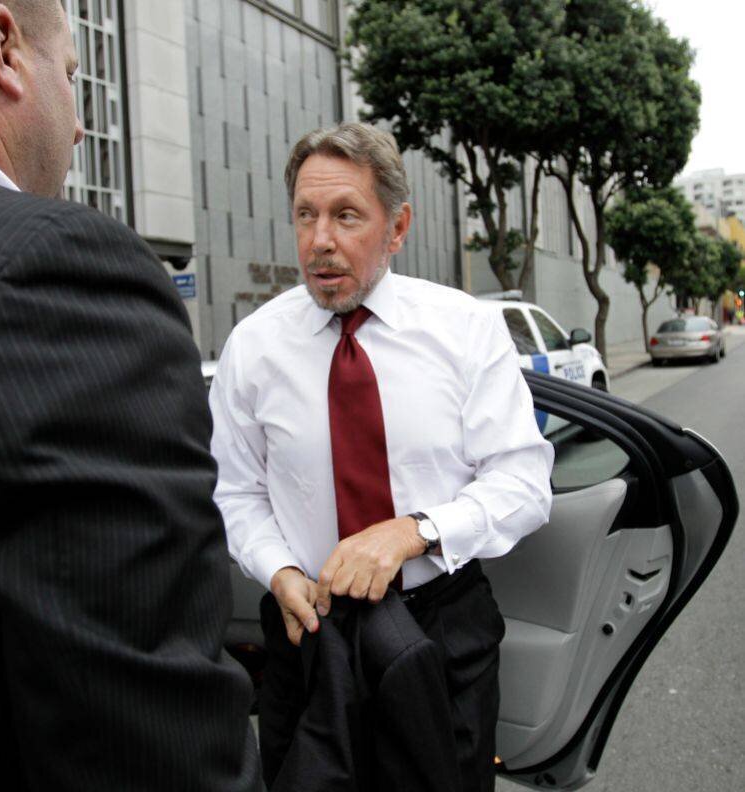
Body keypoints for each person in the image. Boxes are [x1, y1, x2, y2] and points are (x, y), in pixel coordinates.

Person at [210, 122, 554, 791]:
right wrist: (278, 570)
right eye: (305, 215)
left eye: (346, 216)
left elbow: (523, 480)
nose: (320, 240)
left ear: (397, 228)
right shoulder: (253, 348)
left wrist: (414, 532)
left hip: (440, 633)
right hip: (307, 633)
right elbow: (235, 491)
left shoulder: (465, 330)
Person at [0, 2, 261, 790]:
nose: (78, 128)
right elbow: (148, 737)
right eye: (72, 75)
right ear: (4, 47)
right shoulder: (50, 268)